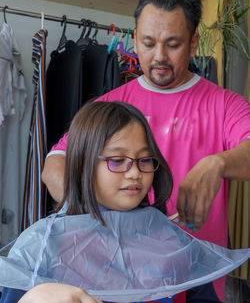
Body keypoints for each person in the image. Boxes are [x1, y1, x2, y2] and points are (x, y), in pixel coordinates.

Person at [42, 0, 250, 302]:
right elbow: (55, 162)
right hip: (116, 282)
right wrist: (95, 217)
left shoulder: (225, 105)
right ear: (136, 39)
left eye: (174, 44)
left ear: (193, 43)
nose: (159, 57)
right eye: (149, 43)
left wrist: (216, 163)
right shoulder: (110, 106)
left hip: (195, 282)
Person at [1, 101, 249, 303]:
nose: (134, 173)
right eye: (118, 160)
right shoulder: (44, 245)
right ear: (82, 165)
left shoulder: (172, 240)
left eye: (144, 160)